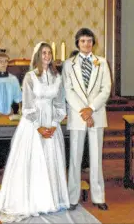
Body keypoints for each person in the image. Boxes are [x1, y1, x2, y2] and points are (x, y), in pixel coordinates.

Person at [0, 42, 101, 224]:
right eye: (43, 53)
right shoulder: (30, 77)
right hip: (32, 123)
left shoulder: (57, 77)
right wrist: (38, 126)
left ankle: (52, 198)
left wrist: (54, 124)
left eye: (49, 53)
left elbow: (61, 104)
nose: (47, 56)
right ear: (38, 56)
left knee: (50, 160)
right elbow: (28, 105)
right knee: (34, 160)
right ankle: (33, 200)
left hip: (51, 121)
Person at [63, 28, 111, 211]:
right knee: (75, 157)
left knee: (96, 157)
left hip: (96, 115)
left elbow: (106, 89)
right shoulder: (69, 64)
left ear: (93, 43)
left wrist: (90, 109)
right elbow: (68, 90)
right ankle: (73, 197)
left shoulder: (102, 63)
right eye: (83, 41)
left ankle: (99, 197)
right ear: (77, 43)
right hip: (77, 116)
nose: (86, 44)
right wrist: (83, 111)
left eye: (89, 41)